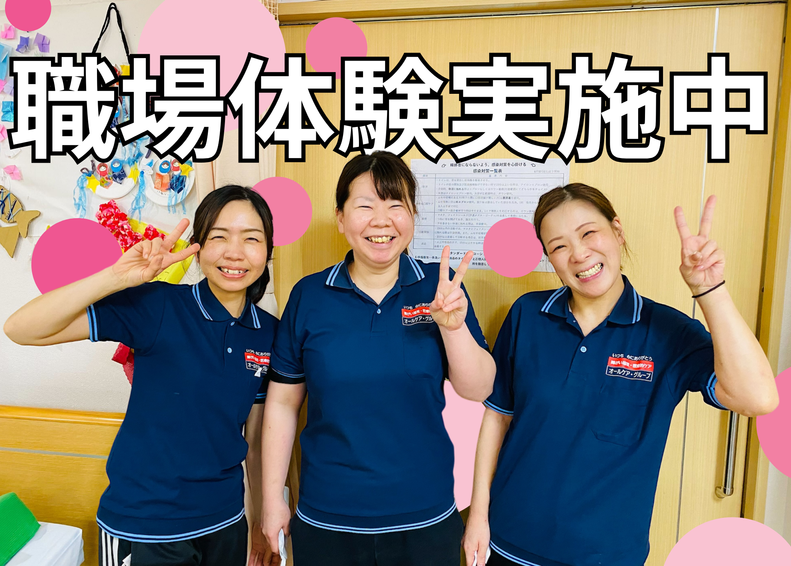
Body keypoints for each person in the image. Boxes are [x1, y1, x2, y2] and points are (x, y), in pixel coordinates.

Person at [462, 183, 779, 566]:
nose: (579, 254)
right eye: (559, 246)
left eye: (588, 233)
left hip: (606, 555)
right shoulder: (528, 314)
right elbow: (497, 417)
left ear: (617, 231)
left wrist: (709, 289)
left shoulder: (669, 332)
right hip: (509, 541)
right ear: (549, 258)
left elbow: (758, 398)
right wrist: (478, 516)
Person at [4, 186, 281, 566]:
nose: (235, 252)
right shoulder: (159, 305)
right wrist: (115, 277)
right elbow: (21, 329)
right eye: (219, 236)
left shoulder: (268, 332)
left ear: (268, 250)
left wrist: (260, 520)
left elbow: (257, 441)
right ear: (198, 246)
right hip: (145, 523)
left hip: (225, 521)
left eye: (251, 238)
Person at [260, 151, 496, 566]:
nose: (381, 221)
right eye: (365, 206)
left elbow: (479, 389)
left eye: (395, 205)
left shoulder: (438, 288)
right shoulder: (309, 296)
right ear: (340, 218)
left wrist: (453, 327)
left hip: (424, 515)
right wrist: (271, 498)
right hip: (328, 516)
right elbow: (282, 403)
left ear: (413, 215)